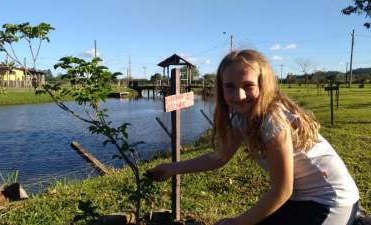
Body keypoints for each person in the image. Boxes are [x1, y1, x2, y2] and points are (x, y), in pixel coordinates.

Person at [147, 50, 359, 225]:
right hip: (299, 200)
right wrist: (172, 168)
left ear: (263, 86)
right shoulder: (241, 117)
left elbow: (282, 190)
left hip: (331, 202)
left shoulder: (273, 121)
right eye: (230, 87)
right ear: (221, 89)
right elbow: (219, 157)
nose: (238, 95)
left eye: (248, 86)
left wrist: (237, 222)